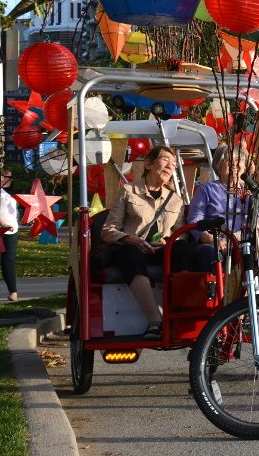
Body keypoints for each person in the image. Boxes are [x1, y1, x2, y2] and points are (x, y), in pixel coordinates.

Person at [101, 146, 190, 337]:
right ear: (149, 164)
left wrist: (168, 241)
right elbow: (108, 230)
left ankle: (182, 313)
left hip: (161, 251)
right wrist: (129, 238)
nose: (170, 166)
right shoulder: (128, 191)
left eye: (174, 164)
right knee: (130, 253)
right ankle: (154, 321)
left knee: (182, 247)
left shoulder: (176, 200)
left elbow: (180, 233)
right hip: (133, 249)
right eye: (165, 160)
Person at [187, 144, 250, 273]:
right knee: (209, 252)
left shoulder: (250, 192)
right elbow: (194, 219)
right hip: (214, 240)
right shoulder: (206, 189)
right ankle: (212, 291)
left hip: (243, 243)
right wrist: (213, 239)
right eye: (229, 161)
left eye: (239, 161)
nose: (235, 165)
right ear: (218, 165)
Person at [0, 170, 19, 301]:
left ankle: (13, 291)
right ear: (0, 177)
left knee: (9, 261)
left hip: (11, 232)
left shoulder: (8, 196)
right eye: (8, 177)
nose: (10, 179)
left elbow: (11, 214)